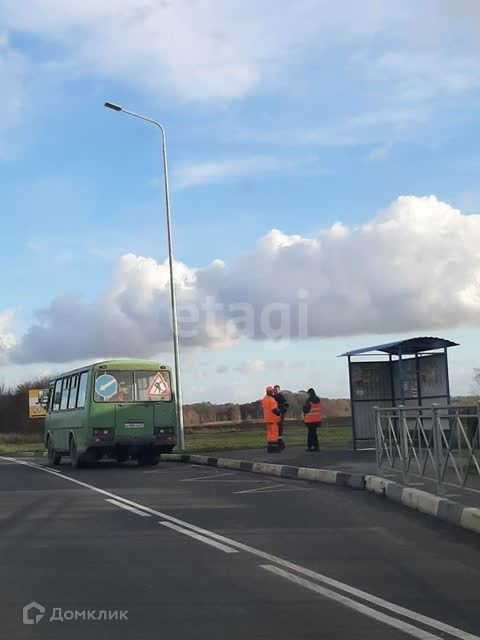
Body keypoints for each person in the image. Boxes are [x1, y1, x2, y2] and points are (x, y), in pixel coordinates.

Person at [261, 386, 282, 453]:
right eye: (272, 391)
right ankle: (274, 448)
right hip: (273, 418)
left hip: (267, 418)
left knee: (269, 433)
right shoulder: (272, 399)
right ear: (270, 392)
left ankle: (269, 447)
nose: (273, 392)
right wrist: (279, 413)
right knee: (274, 433)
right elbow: (274, 409)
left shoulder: (264, 399)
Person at [303, 387, 322, 451]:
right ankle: (316, 446)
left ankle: (310, 446)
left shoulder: (309, 401)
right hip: (317, 419)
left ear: (310, 393)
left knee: (310, 434)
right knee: (314, 433)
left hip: (310, 419)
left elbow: (305, 410)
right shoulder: (318, 400)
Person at [273, 385, 289, 450]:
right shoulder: (273, 397)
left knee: (279, 430)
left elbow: (286, 405)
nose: (275, 391)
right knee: (275, 431)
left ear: (279, 390)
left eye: (276, 390)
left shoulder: (281, 397)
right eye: (274, 390)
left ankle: (281, 444)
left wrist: (281, 412)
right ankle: (278, 444)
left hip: (279, 416)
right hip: (274, 417)